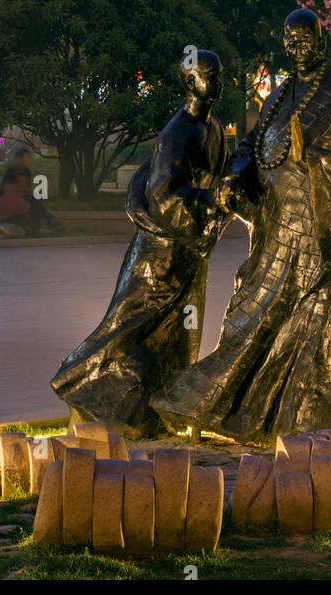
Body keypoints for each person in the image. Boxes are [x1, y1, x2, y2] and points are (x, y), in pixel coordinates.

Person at [151, 9, 331, 440]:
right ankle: (217, 408)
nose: (298, 49)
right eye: (291, 41)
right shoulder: (281, 94)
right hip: (275, 230)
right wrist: (234, 175)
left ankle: (301, 422)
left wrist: (317, 161)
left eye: (306, 40)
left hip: (322, 239)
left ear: (322, 42)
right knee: (249, 317)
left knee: (309, 330)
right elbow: (252, 146)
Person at [51, 51, 229, 438]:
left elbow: (221, 178)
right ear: (189, 83)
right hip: (158, 256)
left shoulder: (214, 130)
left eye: (219, 75)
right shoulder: (176, 134)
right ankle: (85, 388)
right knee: (128, 328)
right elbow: (164, 196)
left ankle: (157, 411)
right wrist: (211, 201)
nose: (217, 82)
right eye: (208, 75)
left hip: (188, 253)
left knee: (180, 334)